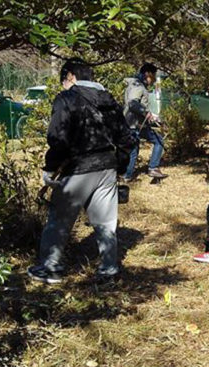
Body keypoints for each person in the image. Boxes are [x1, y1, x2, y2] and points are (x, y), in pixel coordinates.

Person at [28, 59, 135, 284]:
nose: (63, 85)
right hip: (107, 167)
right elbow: (126, 138)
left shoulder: (66, 99)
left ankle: (51, 268)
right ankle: (109, 270)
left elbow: (58, 139)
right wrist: (120, 166)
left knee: (59, 219)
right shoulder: (109, 100)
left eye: (63, 80)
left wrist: (50, 168)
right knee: (105, 223)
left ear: (71, 77)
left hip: (77, 168)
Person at [122, 62, 167, 180]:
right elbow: (132, 103)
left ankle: (128, 175)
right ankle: (152, 168)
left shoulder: (135, 85)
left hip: (135, 124)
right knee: (158, 141)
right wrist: (145, 112)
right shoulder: (137, 86)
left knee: (134, 150)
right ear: (147, 74)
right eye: (152, 77)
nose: (152, 81)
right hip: (135, 124)